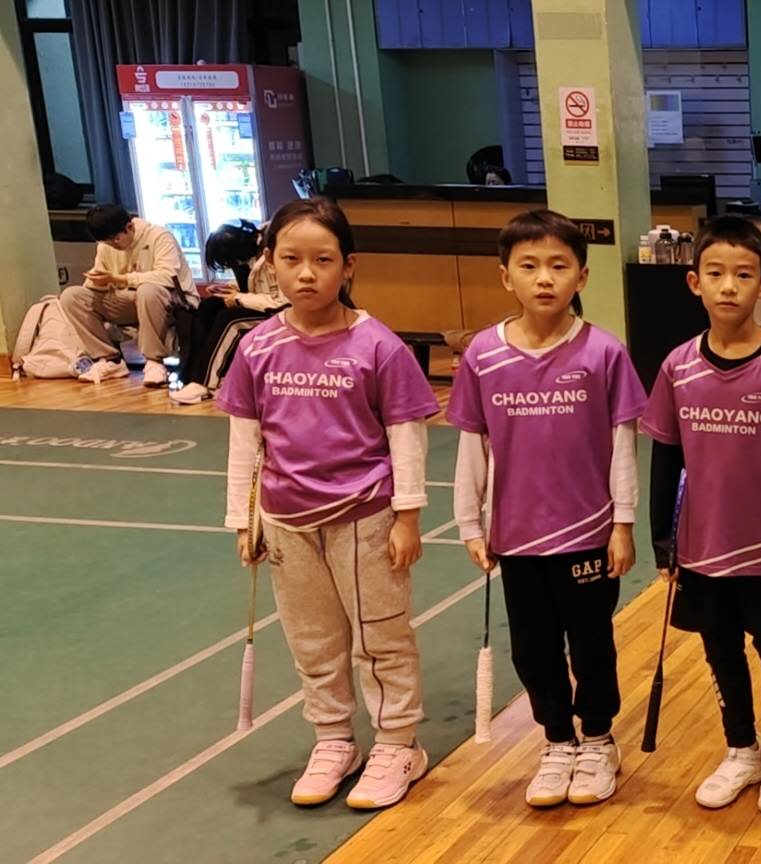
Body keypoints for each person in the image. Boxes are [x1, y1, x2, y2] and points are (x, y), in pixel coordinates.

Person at [218, 198, 441, 809]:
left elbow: (406, 436)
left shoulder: (379, 346)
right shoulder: (257, 347)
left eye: (323, 260)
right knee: (312, 639)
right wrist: (243, 518)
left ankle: (398, 743)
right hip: (286, 522)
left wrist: (408, 515)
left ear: (349, 266)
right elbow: (245, 439)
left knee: (381, 637)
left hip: (365, 516)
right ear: (270, 264)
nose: (306, 274)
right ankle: (334, 738)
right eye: (291, 259)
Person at [449, 209, 647, 808]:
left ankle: (598, 738)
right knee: (533, 651)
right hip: (518, 538)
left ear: (581, 277)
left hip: (587, 534)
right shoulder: (483, 355)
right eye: (529, 266)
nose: (544, 278)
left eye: (559, 266)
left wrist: (623, 523)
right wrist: (470, 523)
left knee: (591, 645)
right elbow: (473, 444)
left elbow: (622, 445)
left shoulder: (603, 353)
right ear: (505, 275)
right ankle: (557, 740)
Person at [643, 215, 761, 816]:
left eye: (743, 275)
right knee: (720, 651)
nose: (728, 286)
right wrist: (662, 539)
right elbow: (666, 456)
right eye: (715, 274)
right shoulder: (677, 366)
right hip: (702, 547)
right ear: (694, 282)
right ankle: (741, 749)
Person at [60, 203, 194, 385]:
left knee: (148, 290)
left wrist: (119, 279)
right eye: (106, 242)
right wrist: (97, 281)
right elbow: (101, 280)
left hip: (170, 300)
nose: (112, 245)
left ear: (129, 227)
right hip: (127, 299)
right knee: (72, 296)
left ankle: (154, 361)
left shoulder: (159, 236)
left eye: (115, 239)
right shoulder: (105, 246)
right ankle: (109, 359)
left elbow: (167, 277)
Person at [171, 221, 287, 405]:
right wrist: (229, 289)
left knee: (231, 321)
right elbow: (256, 284)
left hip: (284, 313)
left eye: (229, 262)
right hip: (262, 304)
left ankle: (205, 383)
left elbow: (282, 302)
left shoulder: (276, 254)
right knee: (209, 306)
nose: (232, 265)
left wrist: (239, 298)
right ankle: (192, 375)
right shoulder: (250, 255)